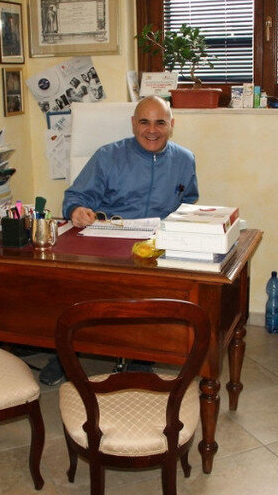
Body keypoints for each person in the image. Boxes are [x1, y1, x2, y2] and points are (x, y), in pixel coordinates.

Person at [38, 95, 199, 385]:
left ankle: (141, 356)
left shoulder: (185, 160)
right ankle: (64, 353)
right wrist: (77, 211)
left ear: (171, 124)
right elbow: (76, 197)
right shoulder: (107, 156)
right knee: (74, 289)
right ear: (133, 123)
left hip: (154, 248)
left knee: (162, 294)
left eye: (160, 123)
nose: (152, 130)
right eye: (144, 122)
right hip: (108, 243)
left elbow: (188, 202)